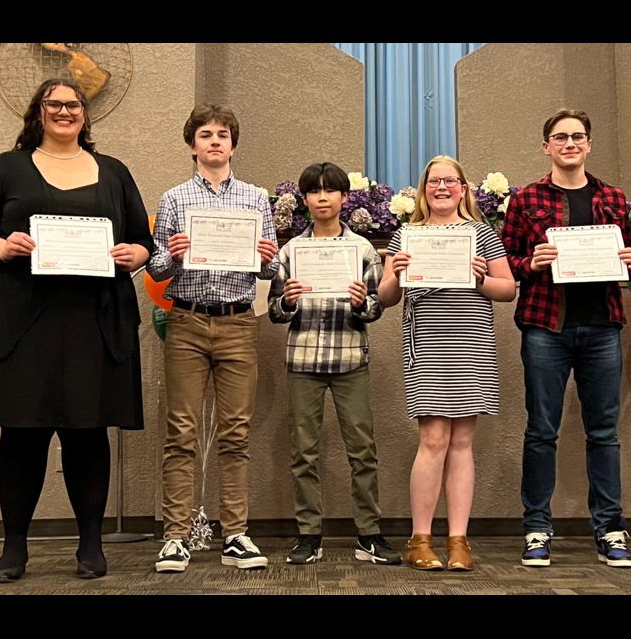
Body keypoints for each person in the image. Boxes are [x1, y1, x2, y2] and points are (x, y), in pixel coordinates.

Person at [0, 78, 152, 584]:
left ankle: (90, 545)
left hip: (94, 320)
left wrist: (136, 256)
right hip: (21, 319)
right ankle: (13, 548)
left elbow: (140, 241)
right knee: (22, 433)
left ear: (86, 114)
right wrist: (1, 247)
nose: (65, 111)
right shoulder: (7, 166)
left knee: (88, 431)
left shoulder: (114, 171)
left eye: (74, 104)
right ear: (38, 112)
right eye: (55, 104)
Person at [501, 110, 631, 570]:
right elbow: (508, 262)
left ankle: (610, 528)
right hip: (545, 328)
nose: (569, 143)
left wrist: (628, 261)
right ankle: (537, 528)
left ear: (589, 143)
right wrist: (531, 263)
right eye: (560, 137)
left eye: (578, 136)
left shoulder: (615, 198)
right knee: (541, 431)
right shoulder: (524, 199)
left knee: (604, 432)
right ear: (546, 146)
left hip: (603, 327)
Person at [148, 105, 279, 574]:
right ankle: (176, 537)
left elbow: (272, 270)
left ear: (233, 143)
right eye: (205, 134)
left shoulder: (255, 198)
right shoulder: (174, 198)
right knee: (181, 431)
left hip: (239, 323)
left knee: (235, 433)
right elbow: (157, 269)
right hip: (186, 321)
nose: (215, 141)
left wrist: (267, 258)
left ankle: (236, 534)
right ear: (192, 145)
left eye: (223, 134)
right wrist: (174, 254)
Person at [379, 156, 516, 572]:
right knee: (433, 440)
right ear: (424, 188)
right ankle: (420, 539)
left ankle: (459, 540)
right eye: (434, 181)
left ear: (463, 188)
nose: (442, 187)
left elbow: (507, 289)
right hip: (429, 348)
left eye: (450, 181)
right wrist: (395, 275)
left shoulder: (481, 233)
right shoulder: (405, 235)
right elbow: (385, 298)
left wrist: (479, 279)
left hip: (470, 345)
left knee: (461, 443)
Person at [268, 163, 400, 566]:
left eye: (331, 191)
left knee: (362, 450)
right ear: (304, 200)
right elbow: (274, 310)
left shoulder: (361, 249)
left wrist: (364, 303)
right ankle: (309, 534)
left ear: (345, 198)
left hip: (349, 358)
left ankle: (369, 534)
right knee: (303, 452)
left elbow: (377, 307)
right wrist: (288, 300)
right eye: (315, 191)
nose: (323, 198)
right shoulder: (290, 250)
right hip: (303, 358)